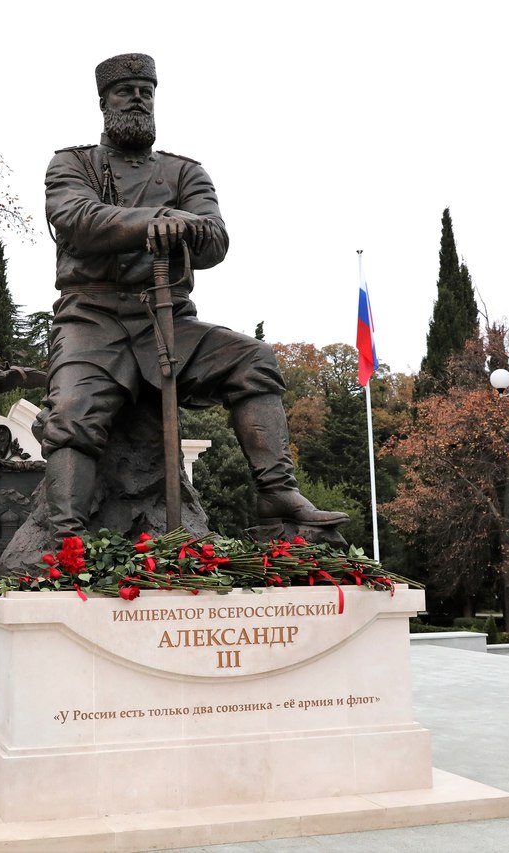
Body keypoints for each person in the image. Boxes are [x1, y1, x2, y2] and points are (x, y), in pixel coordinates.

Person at [38, 52, 348, 543]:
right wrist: (158, 220)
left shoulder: (185, 172)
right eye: (125, 91)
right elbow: (78, 219)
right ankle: (65, 540)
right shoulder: (72, 163)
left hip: (167, 320)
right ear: (103, 102)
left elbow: (215, 240)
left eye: (146, 92)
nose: (137, 99)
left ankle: (276, 492)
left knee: (254, 359)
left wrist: (191, 229)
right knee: (72, 409)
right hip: (91, 319)